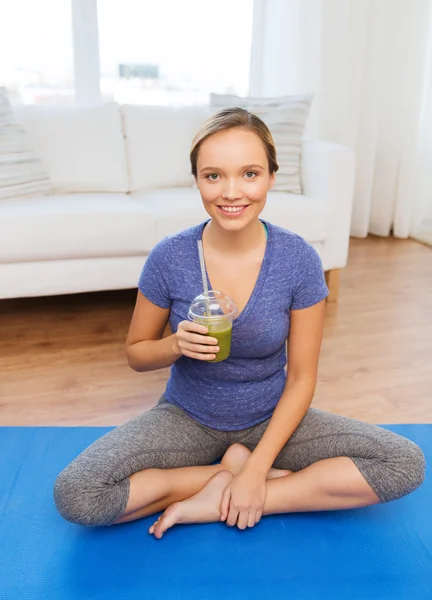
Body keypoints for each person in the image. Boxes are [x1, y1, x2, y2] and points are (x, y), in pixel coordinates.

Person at [54, 108, 425, 539]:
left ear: (271, 176)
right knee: (77, 494)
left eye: (249, 174)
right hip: (186, 417)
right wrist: (175, 345)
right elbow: (137, 352)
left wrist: (256, 473)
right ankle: (220, 476)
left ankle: (235, 494)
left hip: (273, 418)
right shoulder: (170, 258)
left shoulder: (298, 260)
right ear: (196, 180)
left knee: (403, 463)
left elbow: (302, 378)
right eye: (213, 176)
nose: (231, 192)